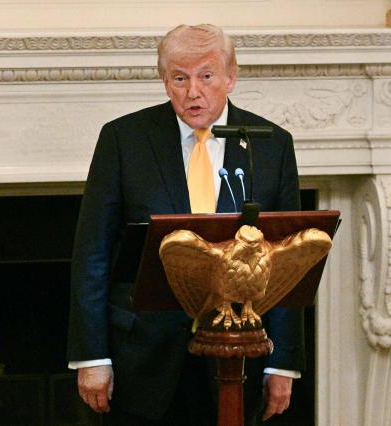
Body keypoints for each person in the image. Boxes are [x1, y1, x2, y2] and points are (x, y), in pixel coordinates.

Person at [66, 24, 304, 425]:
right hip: (141, 354)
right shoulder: (124, 140)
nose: (193, 91)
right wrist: (92, 356)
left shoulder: (271, 144)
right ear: (165, 81)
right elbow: (93, 254)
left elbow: (287, 264)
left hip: (238, 355)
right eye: (179, 78)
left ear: (231, 77)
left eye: (206, 76)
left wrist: (282, 364)